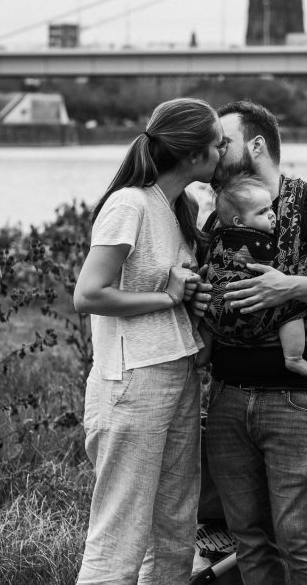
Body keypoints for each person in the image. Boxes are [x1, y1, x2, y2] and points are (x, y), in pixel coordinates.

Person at [198, 100, 307, 585]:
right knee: (248, 540)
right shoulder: (219, 216)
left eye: (224, 142)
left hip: (298, 400)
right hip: (228, 398)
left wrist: (288, 286)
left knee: (301, 538)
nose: (213, 151)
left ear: (257, 146)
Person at [73, 97, 227, 584]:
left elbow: (170, 287)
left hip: (178, 374)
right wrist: (168, 297)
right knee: (120, 535)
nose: (224, 152)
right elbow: (88, 294)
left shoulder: (180, 206)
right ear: (192, 154)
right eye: (218, 144)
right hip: (134, 381)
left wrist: (192, 299)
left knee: (174, 533)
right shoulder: (129, 204)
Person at [201, 173, 307, 379]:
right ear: (239, 222)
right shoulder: (267, 243)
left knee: (205, 315)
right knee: (293, 310)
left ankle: (203, 354)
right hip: (256, 310)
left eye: (271, 208)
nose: (272, 215)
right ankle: (293, 357)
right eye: (262, 212)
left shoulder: (217, 237)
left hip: (218, 313)